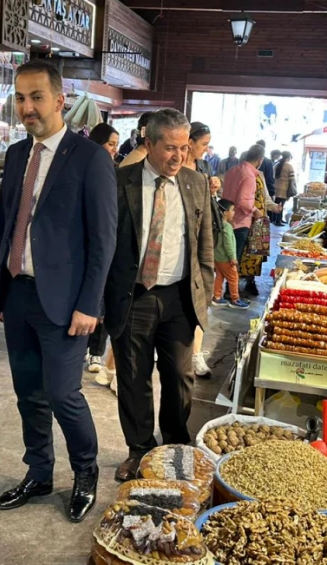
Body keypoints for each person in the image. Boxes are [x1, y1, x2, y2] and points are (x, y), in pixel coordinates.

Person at [0, 60, 117, 523]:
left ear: (60, 100)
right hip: (18, 295)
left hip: (65, 303)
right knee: (28, 393)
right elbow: (6, 223)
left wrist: (90, 304)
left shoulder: (91, 159)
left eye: (37, 97)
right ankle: (39, 473)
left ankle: (85, 474)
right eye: (20, 98)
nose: (27, 107)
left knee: (63, 394)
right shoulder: (20, 154)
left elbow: (103, 240)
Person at [103, 108, 214, 482]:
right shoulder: (120, 182)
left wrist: (205, 293)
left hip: (180, 297)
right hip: (134, 296)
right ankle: (139, 450)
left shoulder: (194, 183)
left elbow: (205, 244)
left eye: (184, 148)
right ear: (148, 143)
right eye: (169, 148)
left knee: (179, 376)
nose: (178, 156)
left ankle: (175, 448)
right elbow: (102, 244)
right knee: (133, 377)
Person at [181, 122, 219, 378]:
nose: (205, 150)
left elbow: (206, 203)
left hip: (203, 236)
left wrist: (214, 188)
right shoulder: (173, 167)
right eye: (203, 144)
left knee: (200, 297)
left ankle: (196, 354)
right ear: (190, 142)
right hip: (180, 241)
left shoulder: (203, 167)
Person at [85, 122, 120, 386]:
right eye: (111, 144)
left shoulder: (117, 171)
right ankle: (85, 348)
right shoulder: (83, 168)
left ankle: (96, 352)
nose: (115, 150)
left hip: (110, 246)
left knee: (104, 303)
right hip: (83, 247)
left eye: (117, 145)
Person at [222, 145, 277, 298]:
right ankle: (231, 292)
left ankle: (230, 288)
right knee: (236, 257)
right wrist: (256, 211)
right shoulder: (249, 175)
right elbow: (243, 201)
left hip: (229, 218)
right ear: (260, 160)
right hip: (242, 221)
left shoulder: (233, 170)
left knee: (230, 255)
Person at [211, 200, 248, 309]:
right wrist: (232, 257)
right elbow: (228, 243)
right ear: (225, 212)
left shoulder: (217, 224)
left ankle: (217, 297)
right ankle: (235, 300)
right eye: (232, 210)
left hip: (217, 257)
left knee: (219, 276)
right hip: (226, 258)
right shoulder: (227, 226)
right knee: (233, 278)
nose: (234, 213)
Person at [273, 152, 297, 227]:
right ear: (288, 157)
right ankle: (278, 221)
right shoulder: (289, 166)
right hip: (285, 188)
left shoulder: (276, 165)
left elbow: (273, 177)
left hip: (276, 188)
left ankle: (276, 219)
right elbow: (292, 179)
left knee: (277, 204)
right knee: (281, 205)